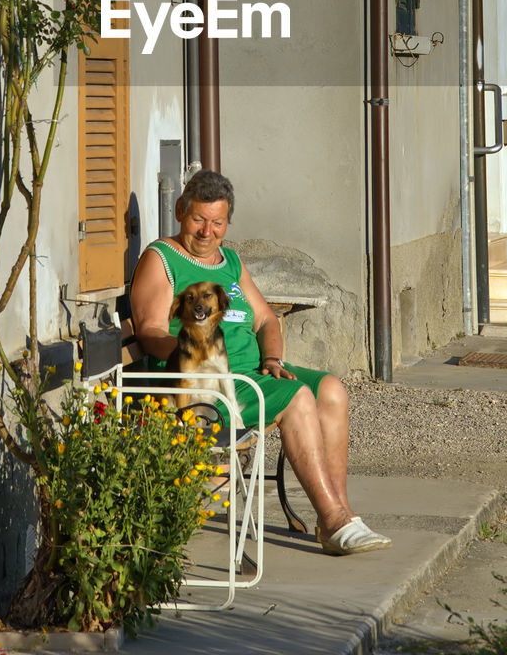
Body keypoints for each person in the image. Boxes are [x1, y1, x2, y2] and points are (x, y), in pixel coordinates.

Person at [130, 168, 391, 555]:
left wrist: (271, 357)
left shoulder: (230, 263)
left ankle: (337, 516)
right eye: (199, 219)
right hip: (205, 386)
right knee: (297, 397)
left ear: (227, 223)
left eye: (217, 222)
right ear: (179, 210)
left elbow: (266, 318)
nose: (207, 232)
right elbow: (149, 330)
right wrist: (190, 353)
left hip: (250, 374)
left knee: (331, 389)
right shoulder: (162, 257)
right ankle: (336, 521)